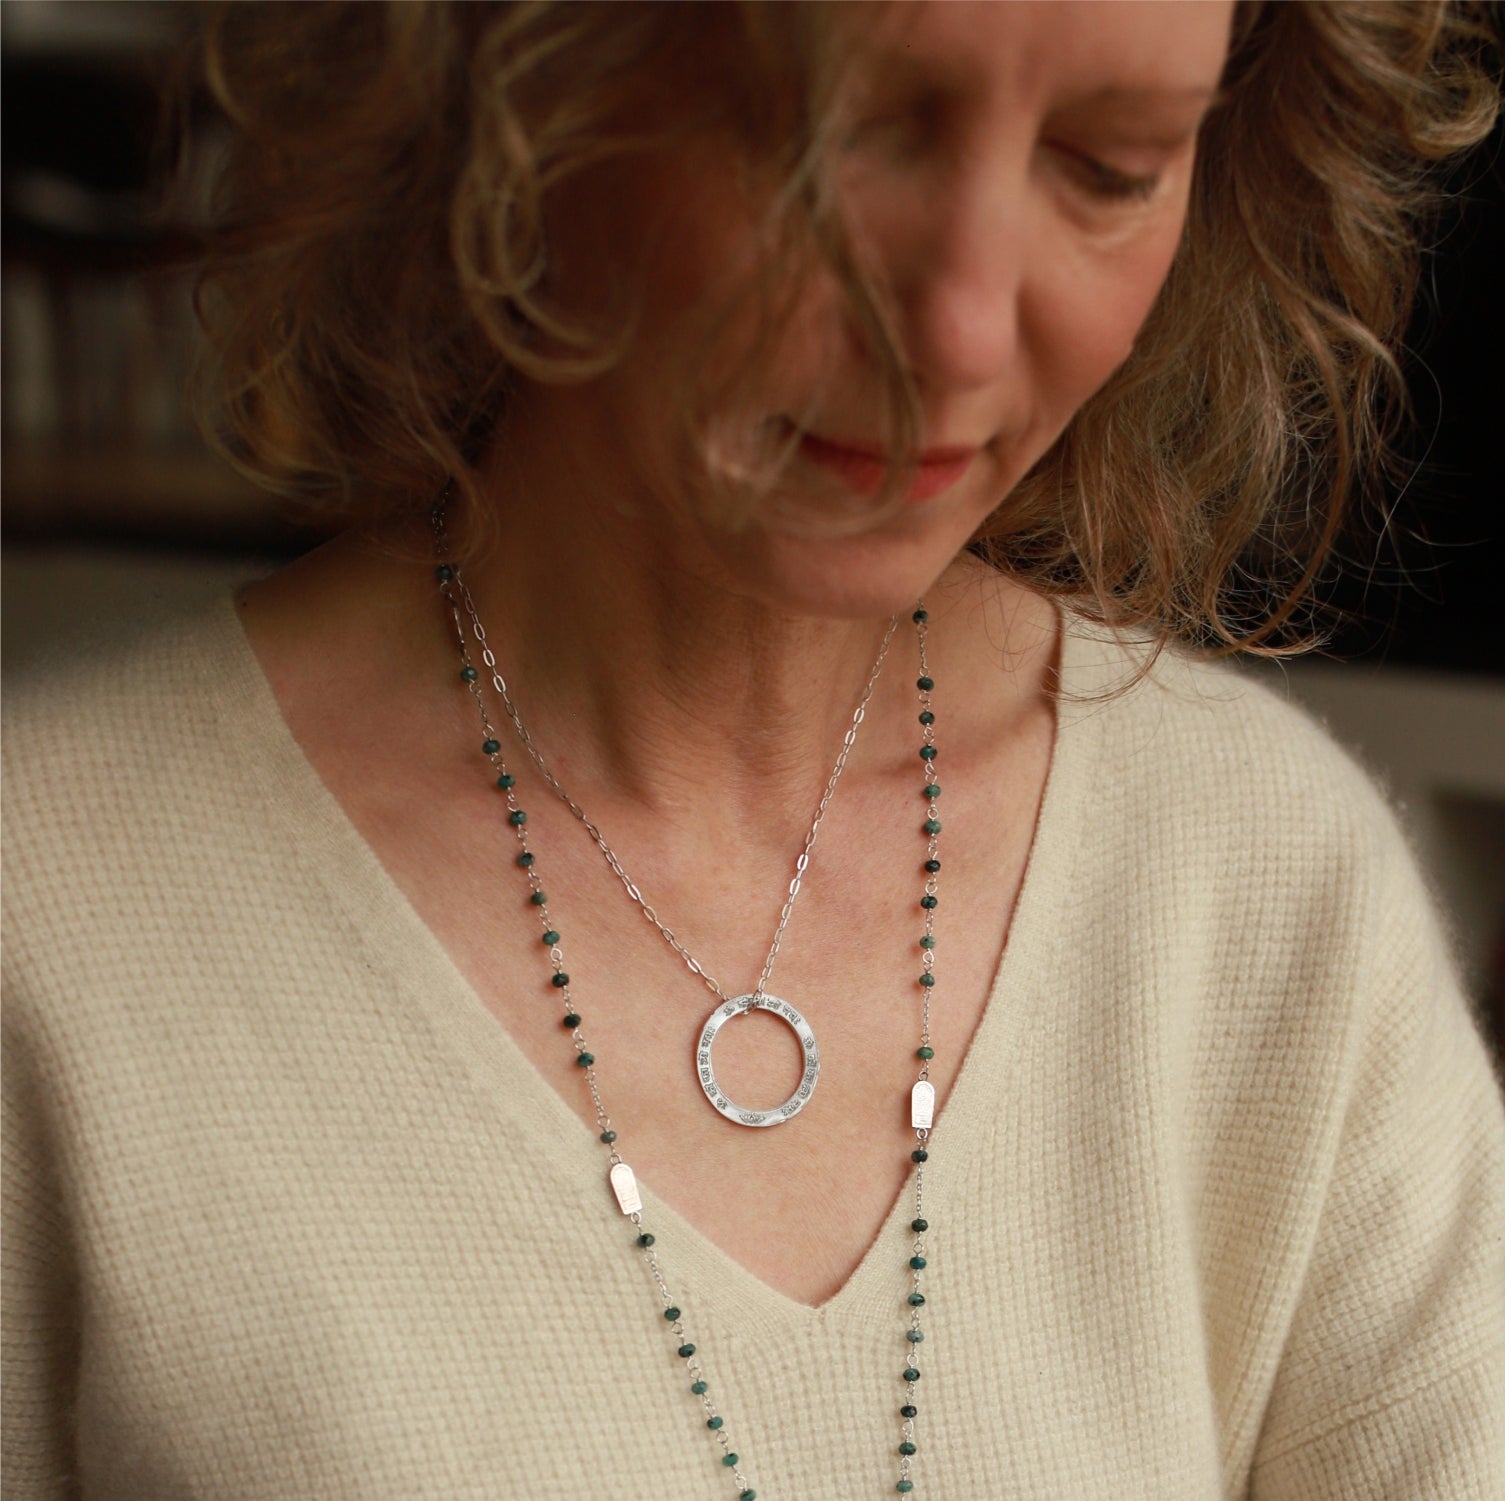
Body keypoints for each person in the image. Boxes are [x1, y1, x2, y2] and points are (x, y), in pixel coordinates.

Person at [4, 2, 1502, 1496]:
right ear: (511, 92)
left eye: (1110, 167)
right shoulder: (54, 913)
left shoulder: (1270, 897)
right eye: (834, 132)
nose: (962, 330)